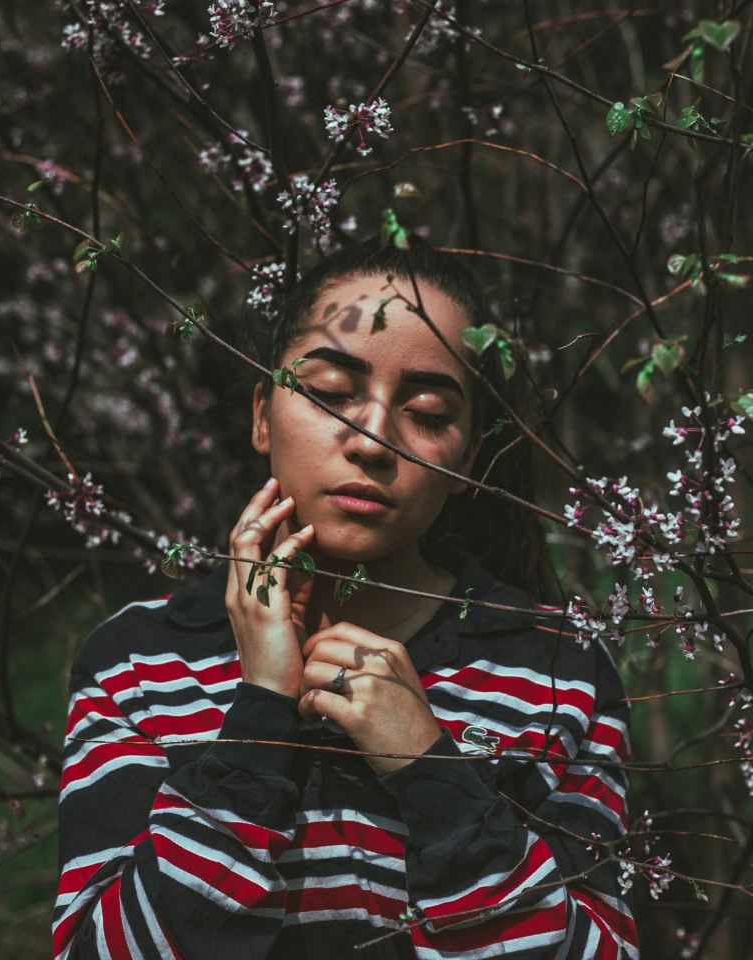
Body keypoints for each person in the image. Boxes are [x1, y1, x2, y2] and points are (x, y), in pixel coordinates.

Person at [53, 238, 639, 959]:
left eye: (426, 411)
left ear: (467, 465)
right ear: (262, 415)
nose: (372, 438)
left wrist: (432, 772)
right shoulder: (137, 661)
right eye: (331, 393)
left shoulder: (559, 670)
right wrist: (262, 707)